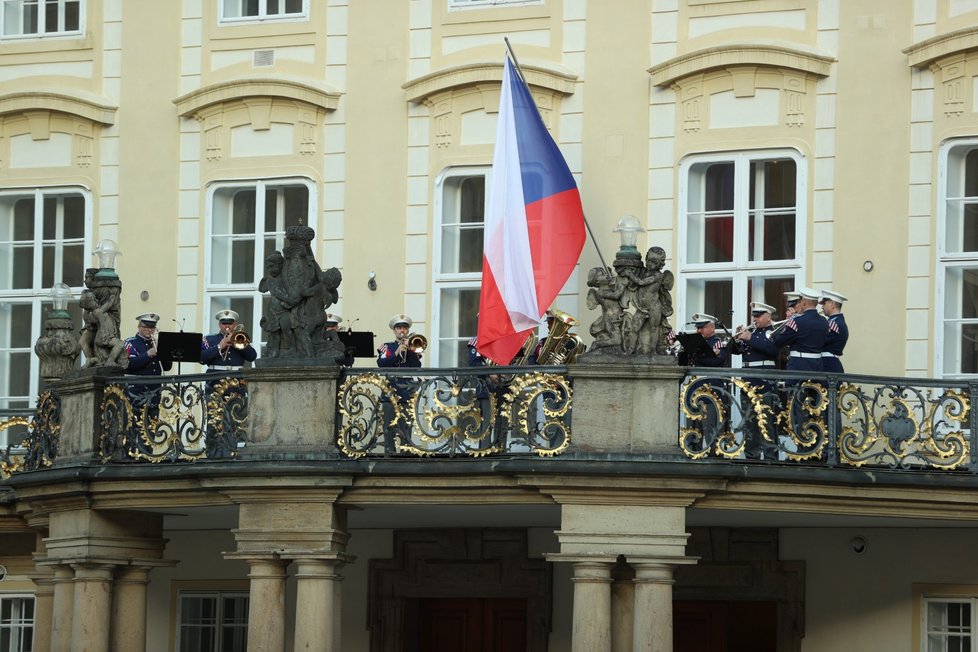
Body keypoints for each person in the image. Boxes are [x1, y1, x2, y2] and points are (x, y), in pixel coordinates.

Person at [732, 302, 780, 459]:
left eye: (758, 316)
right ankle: (751, 455)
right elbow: (736, 351)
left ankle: (770, 457)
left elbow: (772, 349)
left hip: (764, 379)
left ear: (768, 316)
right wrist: (737, 339)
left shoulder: (773, 331)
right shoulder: (750, 331)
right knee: (749, 421)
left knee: (766, 420)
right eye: (754, 315)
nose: (755, 318)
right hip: (747, 379)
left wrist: (749, 338)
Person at [752, 287, 828, 372]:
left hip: (799, 364)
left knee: (793, 385)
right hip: (817, 364)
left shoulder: (796, 321)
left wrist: (790, 323)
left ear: (804, 302)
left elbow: (779, 341)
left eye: (801, 300)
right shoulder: (824, 321)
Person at [377, 314, 422, 453]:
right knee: (389, 425)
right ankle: (389, 453)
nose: (402, 330)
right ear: (394, 331)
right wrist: (396, 353)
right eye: (399, 328)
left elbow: (417, 365)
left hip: (407, 389)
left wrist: (409, 350)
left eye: (404, 328)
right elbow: (382, 364)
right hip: (390, 387)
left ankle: (406, 453)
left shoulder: (414, 347)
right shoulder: (386, 347)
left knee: (406, 425)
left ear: (408, 331)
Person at [819, 290, 849, 373]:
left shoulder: (833, 323)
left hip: (828, 365)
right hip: (829, 363)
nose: (822, 307)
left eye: (824, 304)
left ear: (832, 304)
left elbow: (818, 341)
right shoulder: (835, 321)